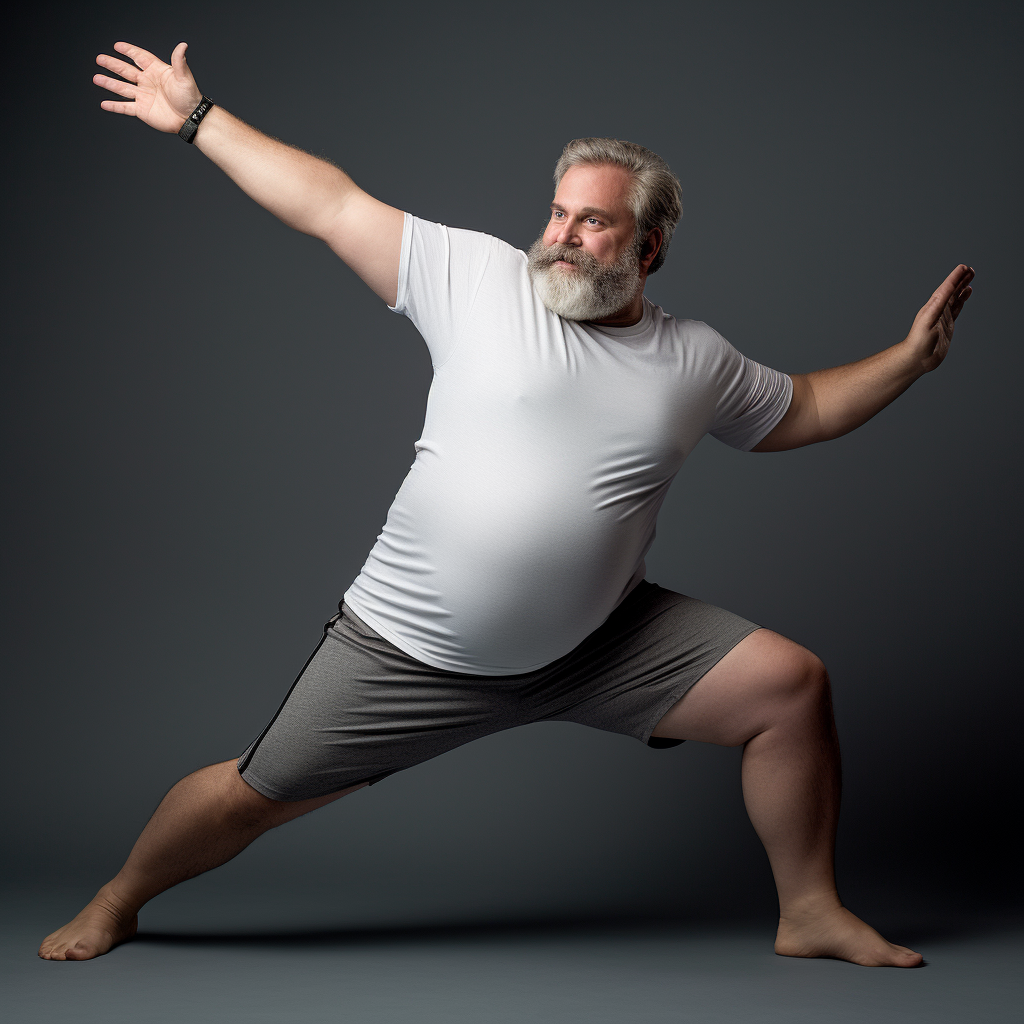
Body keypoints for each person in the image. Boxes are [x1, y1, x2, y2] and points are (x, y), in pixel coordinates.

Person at [39, 40, 973, 965]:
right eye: (558, 213)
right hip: (413, 650)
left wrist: (908, 361)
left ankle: (809, 911)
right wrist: (199, 120)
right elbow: (329, 205)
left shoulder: (697, 358)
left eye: (592, 222)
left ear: (647, 247)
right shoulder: (479, 281)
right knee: (254, 793)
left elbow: (801, 409)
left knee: (790, 687)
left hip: (601, 644)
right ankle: (119, 898)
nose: (560, 235)